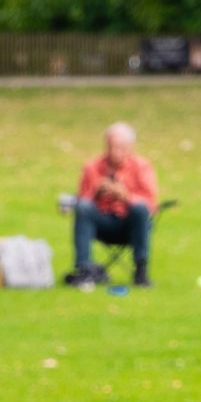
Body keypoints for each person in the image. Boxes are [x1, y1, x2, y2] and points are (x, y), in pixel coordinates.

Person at [65, 122, 158, 288]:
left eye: (120, 147)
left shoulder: (142, 167)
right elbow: (81, 201)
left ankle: (141, 270)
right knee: (84, 207)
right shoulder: (92, 168)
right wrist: (96, 192)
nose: (114, 152)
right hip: (102, 224)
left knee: (139, 208)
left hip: (130, 226)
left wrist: (125, 196)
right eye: (110, 147)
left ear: (130, 147)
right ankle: (84, 269)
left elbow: (150, 204)